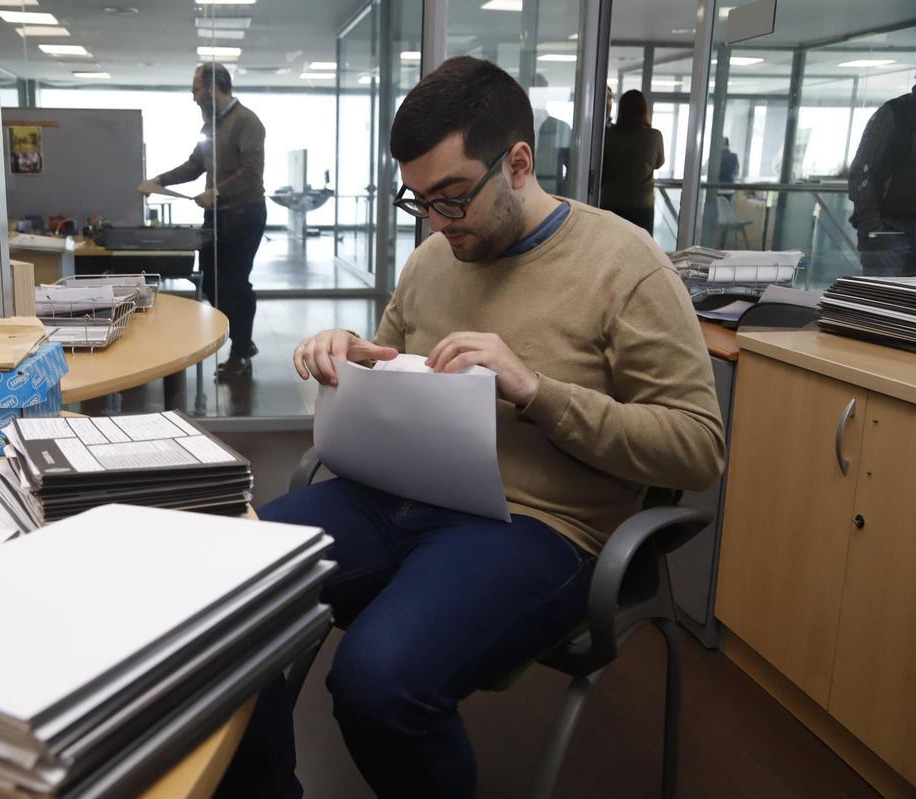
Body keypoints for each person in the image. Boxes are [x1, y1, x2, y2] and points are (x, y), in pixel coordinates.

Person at [214, 56, 724, 798]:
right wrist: (351, 359)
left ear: (518, 164)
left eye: (452, 198)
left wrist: (537, 390)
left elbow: (698, 444)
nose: (437, 222)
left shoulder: (627, 267)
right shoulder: (433, 257)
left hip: (537, 526)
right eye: (418, 201)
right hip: (394, 494)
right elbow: (392, 357)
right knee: (218, 597)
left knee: (378, 682)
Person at [139, 62, 266, 377]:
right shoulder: (210, 125)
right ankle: (242, 339)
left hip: (243, 214)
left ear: (213, 87)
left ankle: (240, 350)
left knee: (235, 283)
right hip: (216, 215)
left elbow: (252, 174)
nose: (194, 97)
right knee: (210, 280)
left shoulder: (247, 121)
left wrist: (216, 192)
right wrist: (159, 181)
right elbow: (195, 165)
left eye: (196, 89)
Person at [848, 83, 916, 277]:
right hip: (890, 233)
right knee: (882, 302)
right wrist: (874, 227)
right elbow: (862, 171)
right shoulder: (896, 112)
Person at [600, 89, 665, 235]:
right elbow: (659, 163)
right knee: (640, 249)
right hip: (642, 205)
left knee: (611, 247)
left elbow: (602, 165)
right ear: (644, 110)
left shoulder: (609, 137)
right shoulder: (654, 136)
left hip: (611, 202)